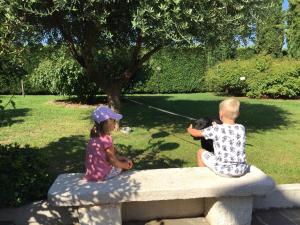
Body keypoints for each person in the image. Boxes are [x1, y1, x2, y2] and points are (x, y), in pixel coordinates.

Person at [187, 98, 249, 177]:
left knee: (200, 152)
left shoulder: (215, 129)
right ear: (238, 114)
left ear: (220, 114)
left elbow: (196, 133)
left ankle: (203, 177)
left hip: (222, 170)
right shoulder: (241, 128)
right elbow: (227, 132)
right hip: (240, 169)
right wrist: (216, 127)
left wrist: (189, 129)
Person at [84, 106, 133, 181]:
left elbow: (104, 156)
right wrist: (125, 165)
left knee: (122, 160)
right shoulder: (106, 139)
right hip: (103, 175)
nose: (115, 123)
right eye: (114, 121)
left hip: (91, 174)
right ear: (107, 122)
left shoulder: (93, 138)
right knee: (124, 164)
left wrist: (121, 158)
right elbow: (112, 161)